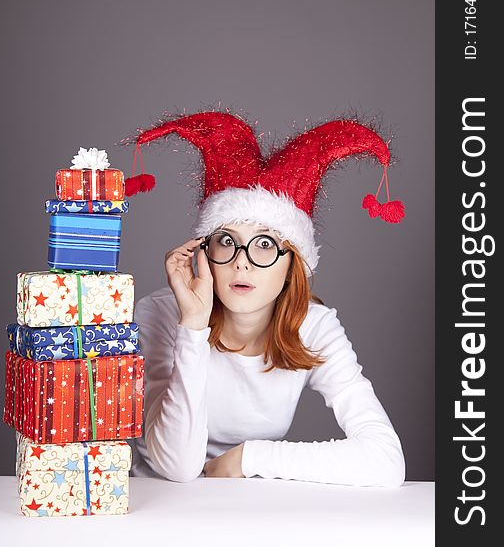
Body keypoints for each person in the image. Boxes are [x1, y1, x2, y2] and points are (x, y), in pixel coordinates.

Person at [125, 111, 406, 486]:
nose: (242, 263)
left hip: (249, 505)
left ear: (293, 263)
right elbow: (175, 467)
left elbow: (385, 461)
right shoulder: (162, 313)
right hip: (156, 507)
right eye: (226, 242)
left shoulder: (314, 325)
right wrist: (193, 326)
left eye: (265, 245)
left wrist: (251, 457)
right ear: (204, 252)